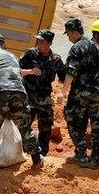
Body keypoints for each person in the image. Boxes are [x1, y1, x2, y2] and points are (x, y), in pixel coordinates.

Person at [0, 33, 42, 176]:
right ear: (3, 44)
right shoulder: (12, 56)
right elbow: (17, 73)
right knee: (24, 127)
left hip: (0, 92)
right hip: (20, 91)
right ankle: (37, 158)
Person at [61, 18, 99, 168]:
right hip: (98, 94)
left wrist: (63, 91)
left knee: (72, 119)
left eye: (69, 34)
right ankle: (95, 158)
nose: (68, 37)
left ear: (75, 32)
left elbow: (71, 71)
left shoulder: (78, 47)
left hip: (80, 93)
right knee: (97, 125)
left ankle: (81, 155)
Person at [19, 29, 66, 157]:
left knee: (45, 127)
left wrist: (62, 93)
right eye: (38, 41)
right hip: (28, 97)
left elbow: (64, 78)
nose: (39, 44)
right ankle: (22, 152)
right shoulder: (29, 53)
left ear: (49, 43)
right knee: (23, 125)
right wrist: (30, 71)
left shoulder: (55, 59)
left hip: (45, 99)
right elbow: (17, 71)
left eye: (42, 42)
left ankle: (42, 154)